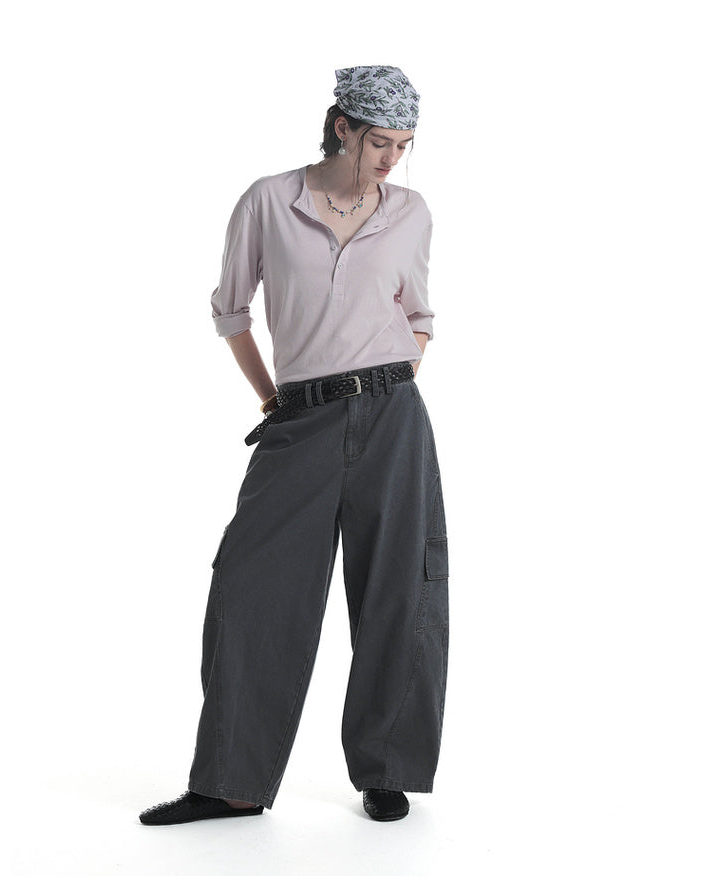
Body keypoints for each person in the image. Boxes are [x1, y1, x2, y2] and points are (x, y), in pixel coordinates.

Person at [139, 65, 449, 826]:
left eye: (404, 144)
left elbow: (419, 315)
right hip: (300, 418)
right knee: (252, 587)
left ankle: (387, 770)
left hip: (393, 415)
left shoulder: (410, 212)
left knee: (400, 590)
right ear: (343, 127)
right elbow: (231, 310)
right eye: (380, 142)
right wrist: (272, 398)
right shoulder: (269, 201)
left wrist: (389, 376)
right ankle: (233, 783)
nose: (393, 158)